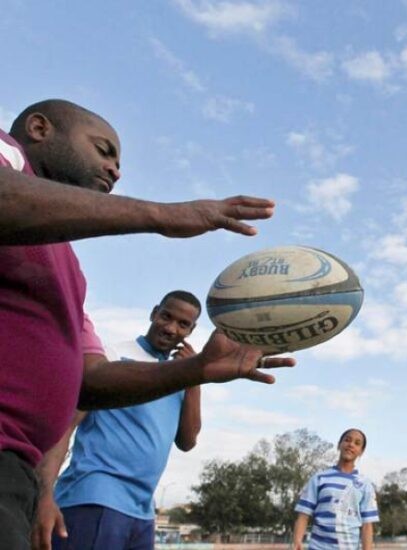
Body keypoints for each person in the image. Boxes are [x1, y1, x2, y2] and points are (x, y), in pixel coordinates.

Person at [0, 99, 294, 550]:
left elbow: (87, 382)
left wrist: (194, 374)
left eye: (119, 161)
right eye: (103, 151)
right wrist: (163, 214)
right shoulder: (9, 158)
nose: (115, 170)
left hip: (20, 470)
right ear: (39, 129)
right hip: (89, 497)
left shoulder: (68, 271)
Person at [29, 290, 203, 549]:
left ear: (191, 330)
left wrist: (193, 378)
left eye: (182, 324)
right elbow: (66, 424)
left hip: (143, 509)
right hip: (95, 496)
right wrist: (44, 495)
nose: (170, 328)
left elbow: (187, 441)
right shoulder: (111, 357)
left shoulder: (178, 376)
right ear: (154, 313)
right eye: (166, 316)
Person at [293, 429, 379, 550]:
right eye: (347, 440)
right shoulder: (319, 478)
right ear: (339, 444)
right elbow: (303, 515)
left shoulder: (365, 484)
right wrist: (297, 541)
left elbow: (367, 525)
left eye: (357, 443)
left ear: (361, 451)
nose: (351, 445)